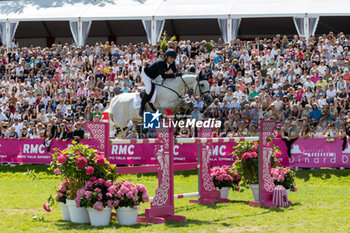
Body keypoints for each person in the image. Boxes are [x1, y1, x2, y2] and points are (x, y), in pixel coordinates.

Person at [139, 49, 181, 116]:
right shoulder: (160, 62)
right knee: (149, 89)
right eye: (171, 58)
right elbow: (164, 76)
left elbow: (175, 72)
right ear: (166, 57)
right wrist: (175, 75)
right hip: (147, 74)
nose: (172, 60)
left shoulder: (172, 63)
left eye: (174, 58)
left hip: (156, 75)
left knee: (163, 84)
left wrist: (179, 74)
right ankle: (142, 108)